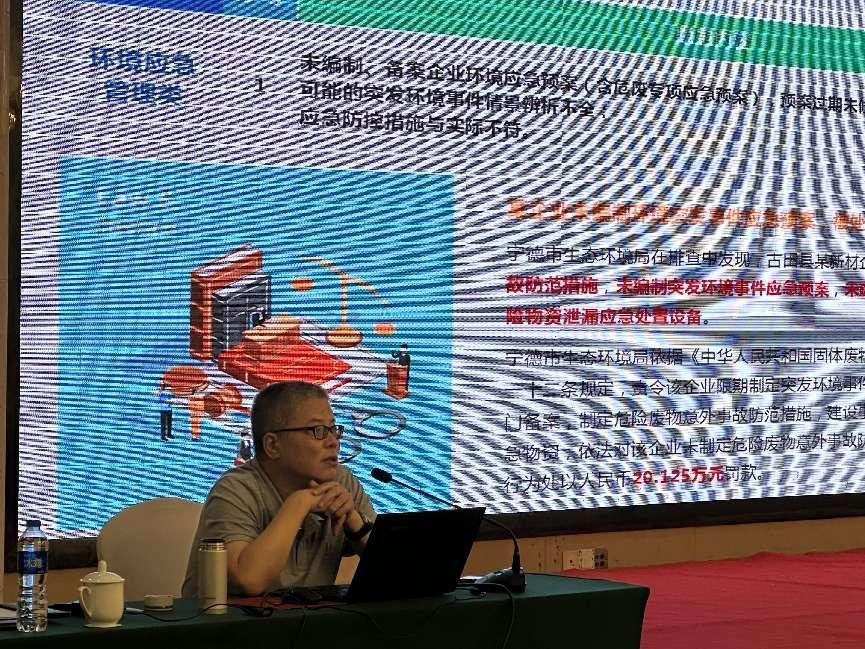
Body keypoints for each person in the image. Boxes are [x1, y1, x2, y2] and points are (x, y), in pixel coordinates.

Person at [182, 381, 375, 597]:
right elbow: (249, 581)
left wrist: (355, 523)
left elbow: (397, 571)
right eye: (317, 431)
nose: (333, 443)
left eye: (333, 429)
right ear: (273, 445)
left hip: (308, 618)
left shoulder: (342, 482)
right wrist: (299, 503)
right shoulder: (235, 490)